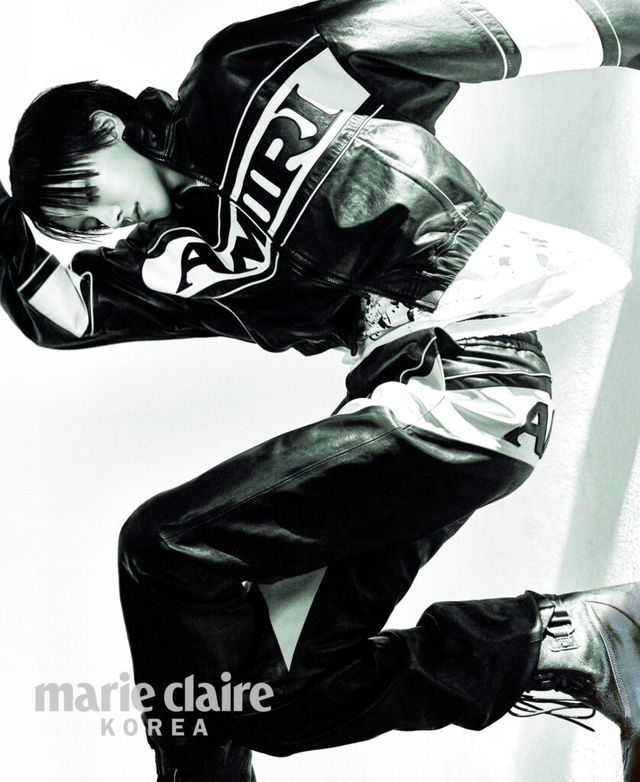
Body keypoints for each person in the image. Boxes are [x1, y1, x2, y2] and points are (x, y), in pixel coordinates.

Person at [1, 1, 639, 780]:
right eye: (76, 228)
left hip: (465, 374)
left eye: (81, 194)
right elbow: (63, 314)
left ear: (105, 124)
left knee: (161, 546)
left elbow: (454, 23)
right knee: (270, 700)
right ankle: (578, 642)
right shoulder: (180, 266)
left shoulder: (246, 75)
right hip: (418, 410)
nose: (98, 223)